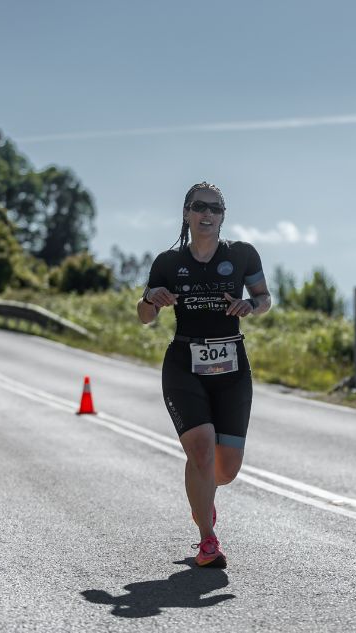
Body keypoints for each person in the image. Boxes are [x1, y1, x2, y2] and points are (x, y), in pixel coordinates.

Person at [138, 182, 271, 568]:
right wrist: (150, 300)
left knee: (224, 470)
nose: (207, 214)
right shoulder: (168, 262)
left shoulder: (242, 255)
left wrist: (250, 305)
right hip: (185, 365)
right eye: (199, 207)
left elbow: (264, 298)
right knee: (200, 448)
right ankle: (207, 540)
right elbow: (144, 317)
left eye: (215, 208)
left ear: (223, 216)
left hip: (231, 368)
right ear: (186, 213)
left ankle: (204, 500)